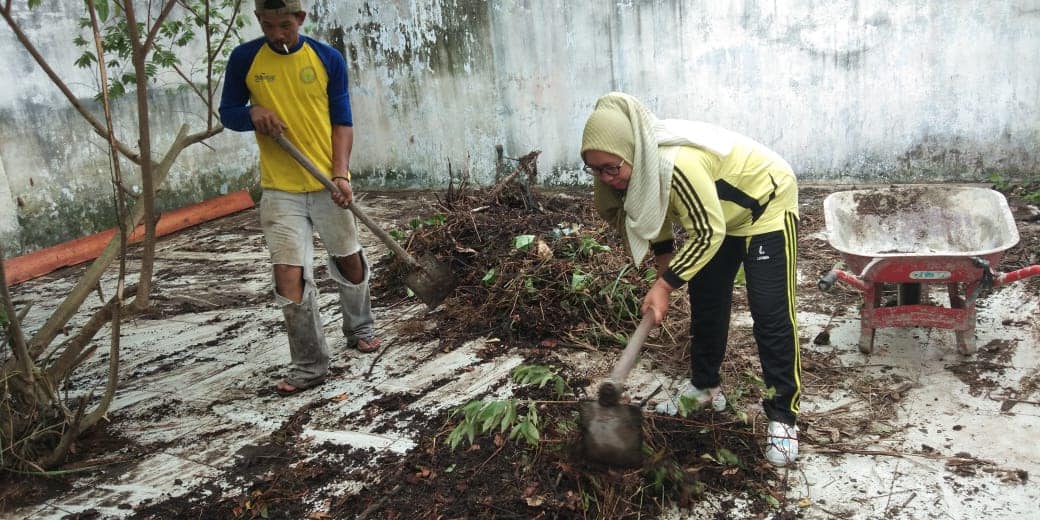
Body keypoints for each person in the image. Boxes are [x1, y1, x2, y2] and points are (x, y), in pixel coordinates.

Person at [580, 92, 802, 466]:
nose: (606, 179)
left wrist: (665, 285)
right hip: (720, 215)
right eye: (596, 170)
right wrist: (665, 265)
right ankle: (705, 387)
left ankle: (783, 416)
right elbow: (656, 209)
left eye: (611, 168)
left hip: (765, 204)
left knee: (770, 314)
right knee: (706, 299)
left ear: (631, 151)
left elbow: (708, 233)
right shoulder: (634, 169)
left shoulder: (675, 164)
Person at [219, 0, 379, 396]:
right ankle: (309, 364)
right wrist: (252, 112)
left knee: (349, 258)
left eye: (285, 26)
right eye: (268, 26)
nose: (277, 35)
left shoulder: (327, 59)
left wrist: (340, 174)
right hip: (280, 188)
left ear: (301, 19)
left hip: (327, 182)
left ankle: (360, 327)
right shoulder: (245, 59)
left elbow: (342, 122)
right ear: (259, 21)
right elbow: (228, 112)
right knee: (288, 273)